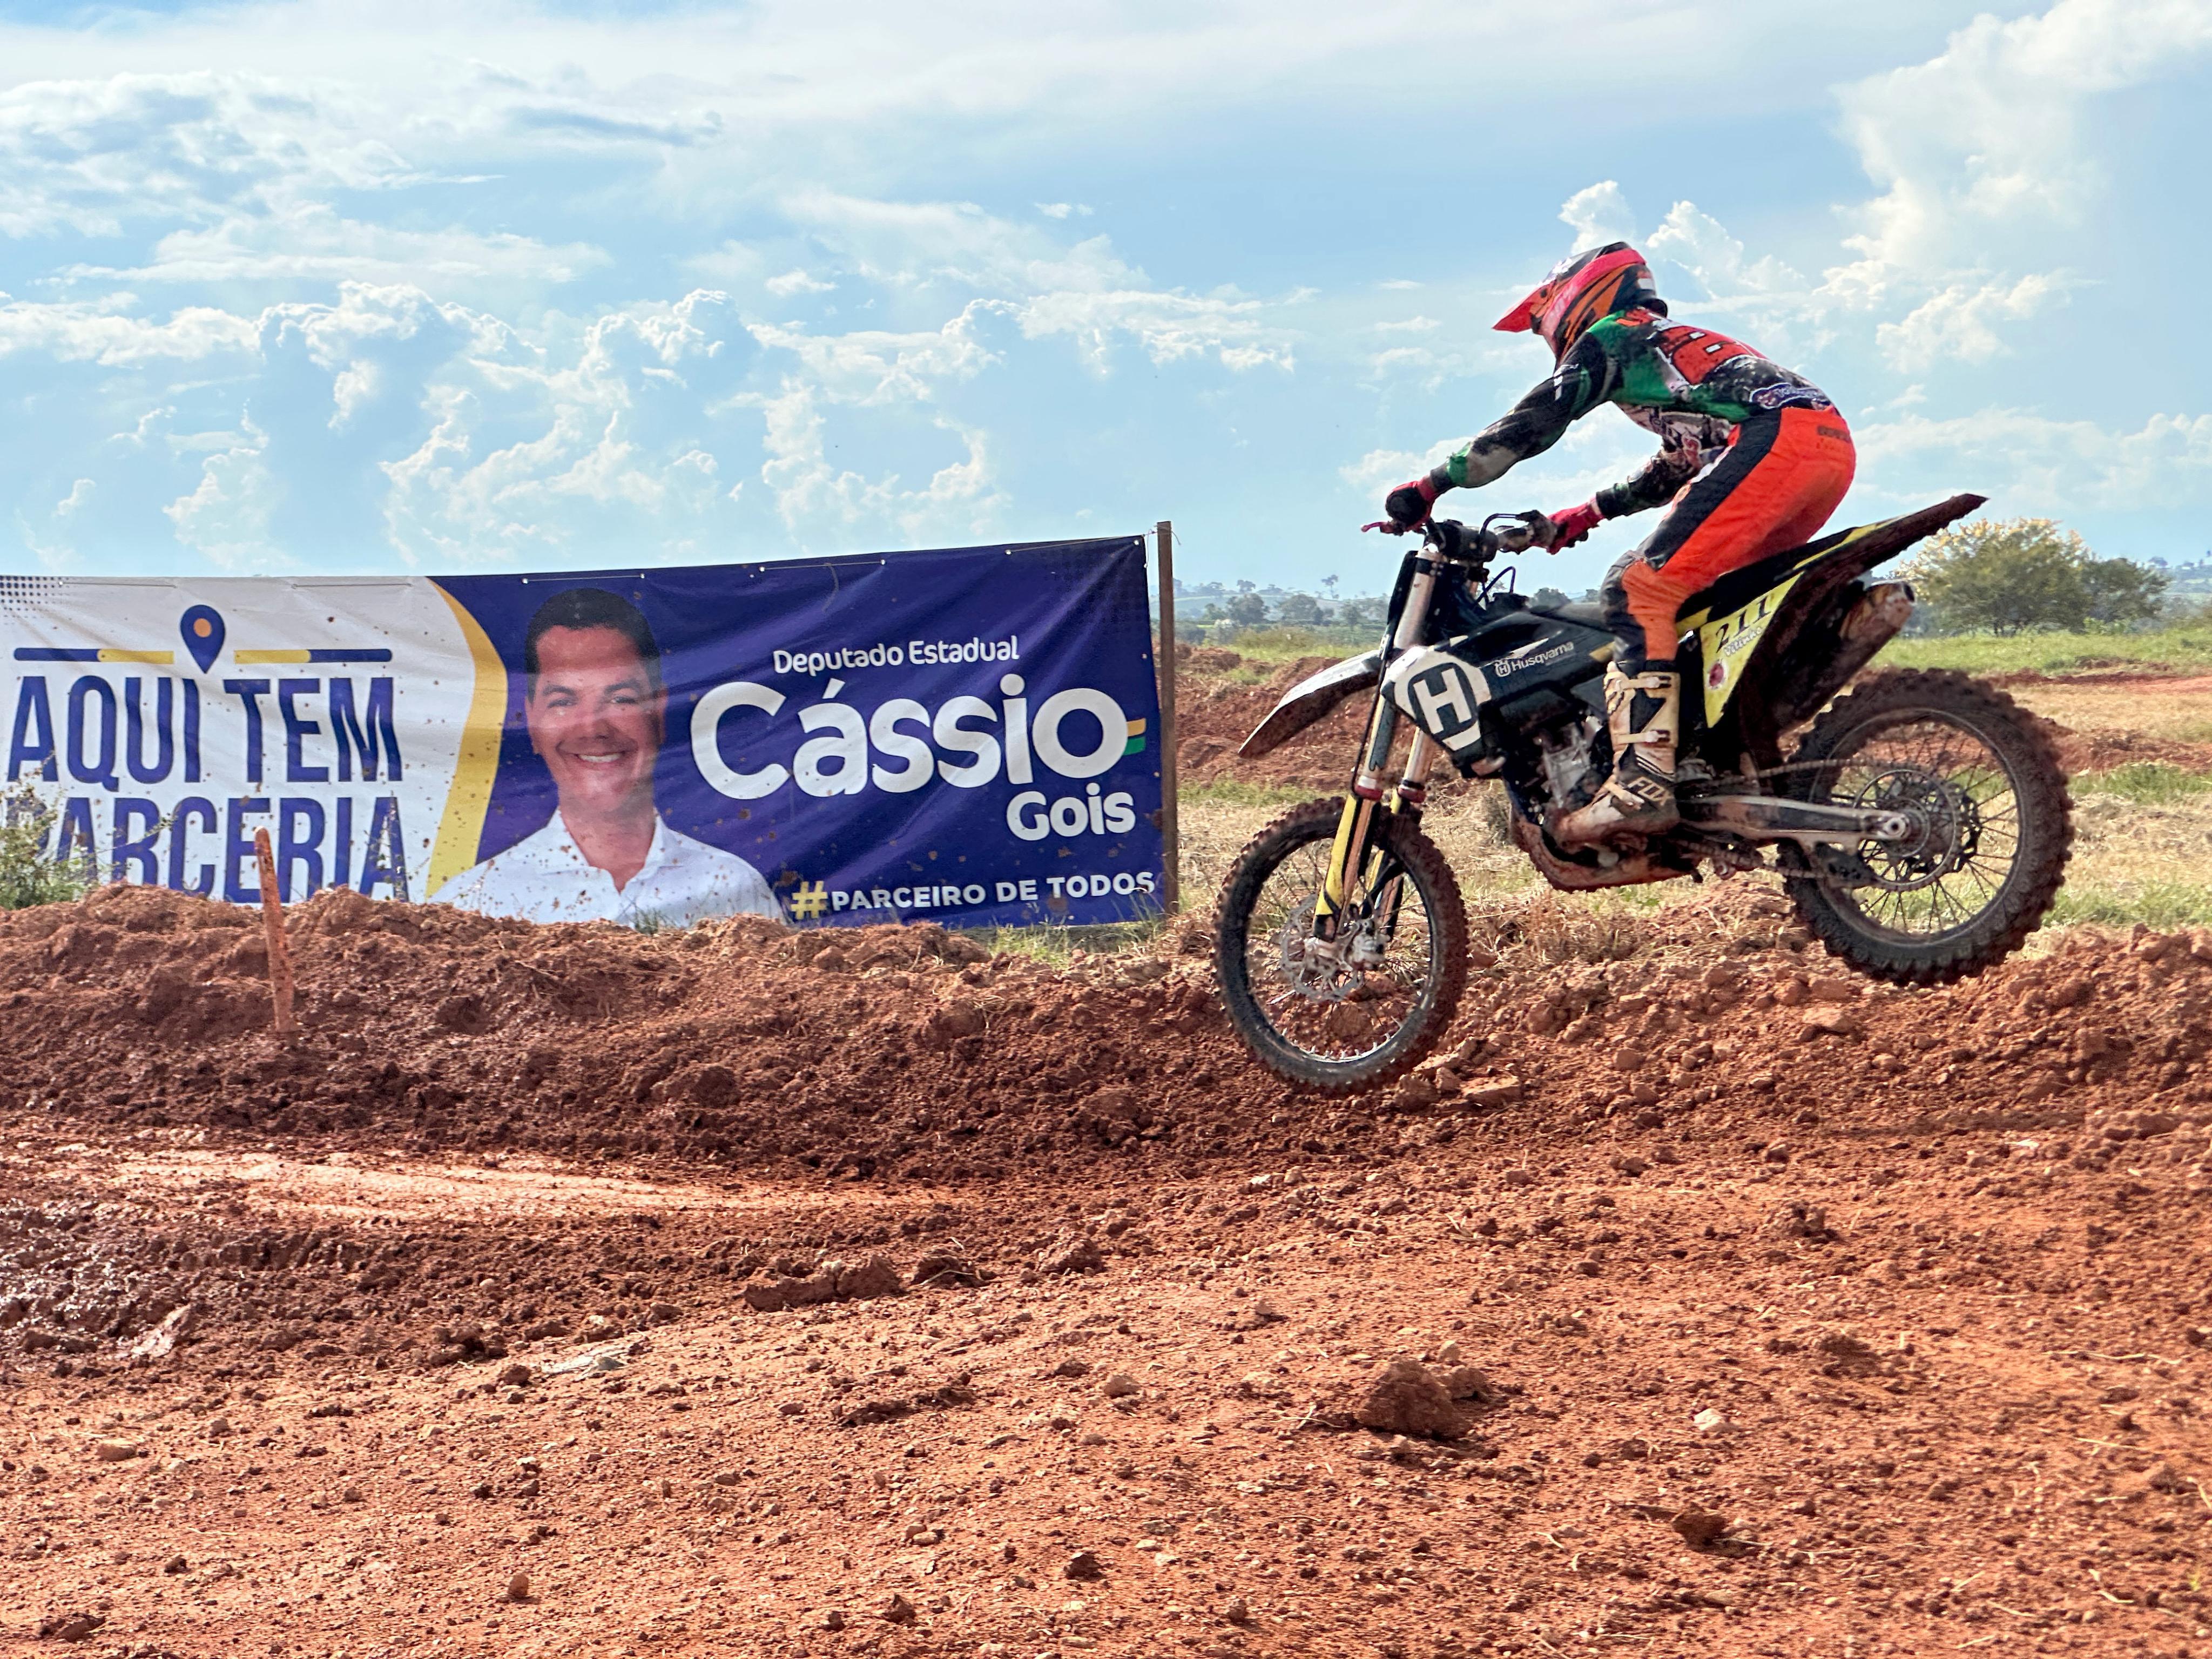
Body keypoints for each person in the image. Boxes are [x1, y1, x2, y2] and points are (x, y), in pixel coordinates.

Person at [1381, 242, 1854, 845]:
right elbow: (1680, 461)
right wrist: (1585, 513)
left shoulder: (1611, 336)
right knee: (1704, 602)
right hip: (1824, 451)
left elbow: (1527, 427)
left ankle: (1643, 784)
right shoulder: (1668, 345)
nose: (1546, 335)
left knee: (1636, 590)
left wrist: (1428, 486)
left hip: (1772, 444)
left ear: (1573, 297)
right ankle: (1720, 763)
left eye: (1542, 320)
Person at [432, 587, 783, 927]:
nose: (592, 730)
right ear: (532, 723)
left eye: (620, 699)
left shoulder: (733, 890)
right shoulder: (472, 906)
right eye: (563, 702)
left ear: (658, 715)